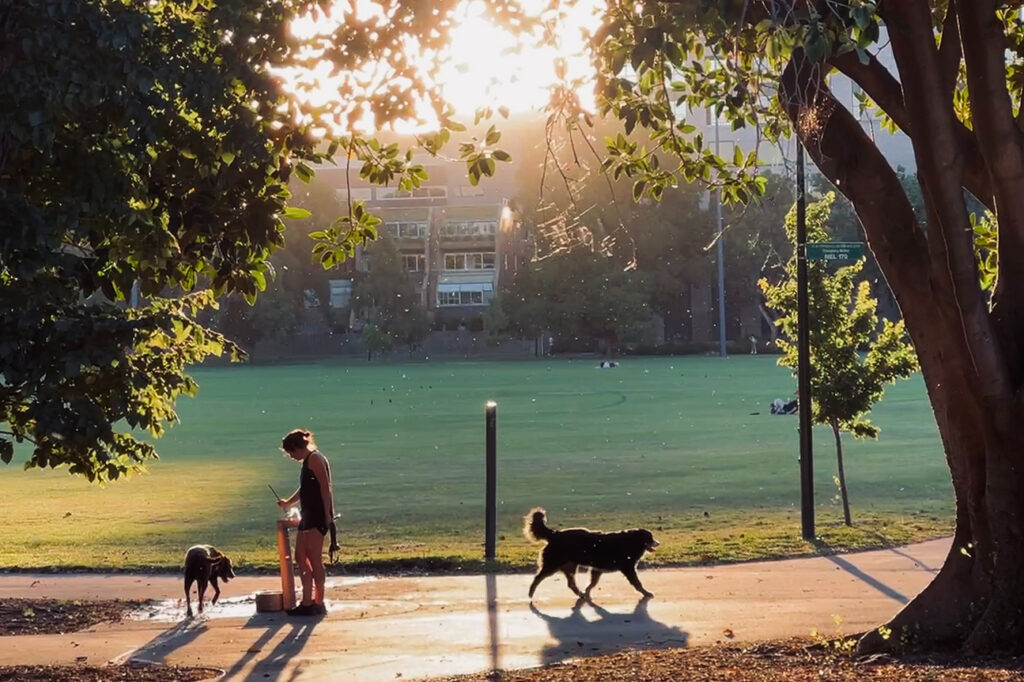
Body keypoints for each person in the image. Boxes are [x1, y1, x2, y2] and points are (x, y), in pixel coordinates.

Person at [276, 429, 335, 617]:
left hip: (316, 515)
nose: (291, 457)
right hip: (307, 514)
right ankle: (307, 601)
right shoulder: (308, 462)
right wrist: (288, 502)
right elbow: (305, 489)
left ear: (297, 448)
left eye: (291, 453)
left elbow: (325, 488)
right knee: (301, 556)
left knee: (314, 558)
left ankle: (318, 601)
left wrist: (327, 515)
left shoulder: (316, 459)